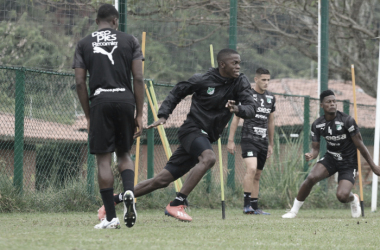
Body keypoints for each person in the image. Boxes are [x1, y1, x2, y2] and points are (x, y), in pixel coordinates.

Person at [98, 48, 257, 222]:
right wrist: (163, 115)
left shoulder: (240, 82)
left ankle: (113, 201)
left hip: (206, 136)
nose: (238, 67)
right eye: (234, 63)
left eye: (239, 63)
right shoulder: (202, 80)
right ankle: (177, 203)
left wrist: (237, 109)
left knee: (161, 180)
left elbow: (251, 109)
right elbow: (178, 91)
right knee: (209, 158)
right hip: (192, 130)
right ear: (222, 64)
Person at [72, 4, 144, 229]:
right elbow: (139, 78)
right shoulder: (130, 40)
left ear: (97, 21)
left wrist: (88, 114)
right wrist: (139, 113)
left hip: (100, 102)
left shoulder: (84, 43)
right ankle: (129, 192)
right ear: (116, 21)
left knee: (103, 159)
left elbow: (79, 82)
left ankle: (111, 218)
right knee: (124, 154)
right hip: (125, 101)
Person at [282, 89, 380, 219]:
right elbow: (315, 148)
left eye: (334, 101)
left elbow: (360, 145)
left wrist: (373, 166)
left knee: (342, 196)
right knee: (311, 178)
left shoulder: (347, 120)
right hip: (331, 158)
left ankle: (353, 199)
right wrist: (312, 154)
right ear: (322, 105)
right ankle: (293, 211)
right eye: (329, 102)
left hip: (349, 162)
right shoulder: (317, 124)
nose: (332, 104)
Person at [227, 68, 275, 215]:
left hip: (263, 141)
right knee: (252, 169)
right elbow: (236, 117)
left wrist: (271, 144)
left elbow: (271, 121)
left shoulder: (271, 98)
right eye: (263, 80)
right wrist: (230, 140)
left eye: (268, 80)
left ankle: (254, 207)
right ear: (256, 79)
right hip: (248, 139)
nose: (266, 83)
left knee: (258, 175)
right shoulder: (248, 96)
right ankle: (246, 205)